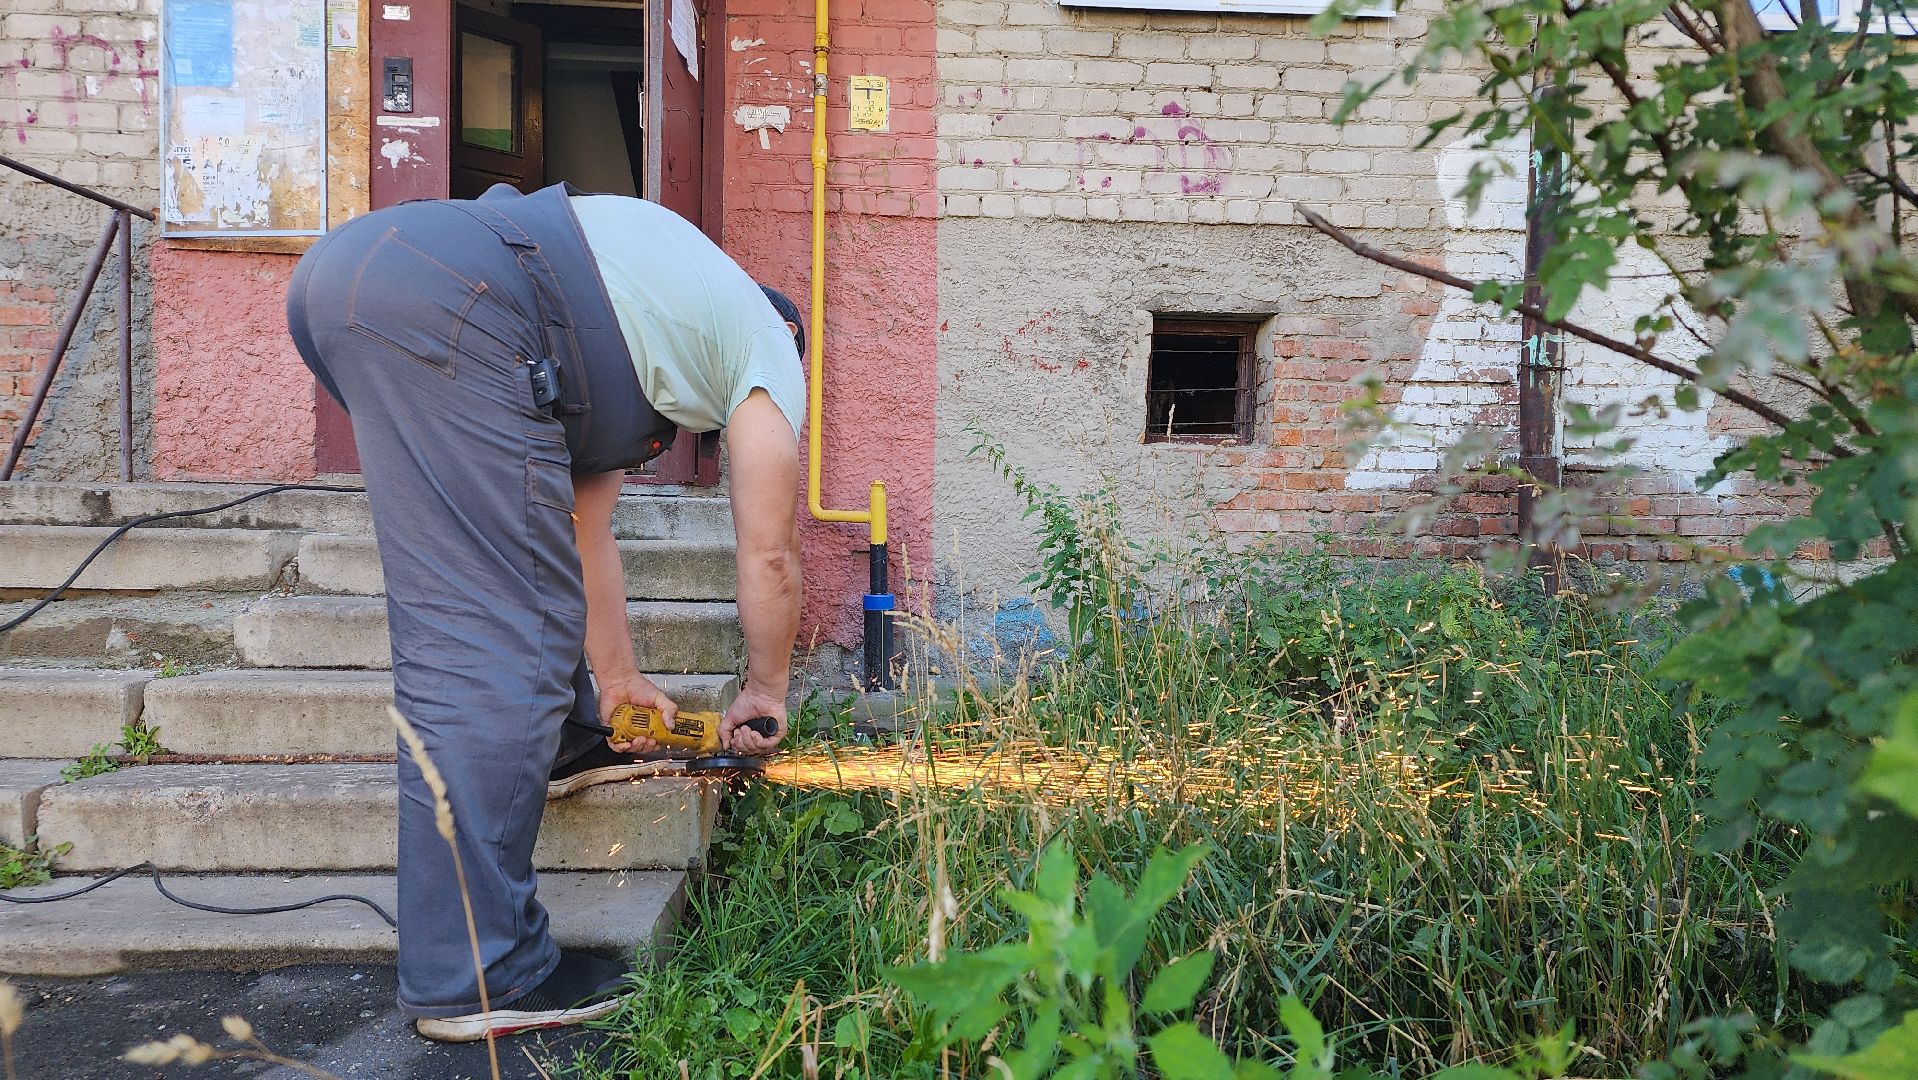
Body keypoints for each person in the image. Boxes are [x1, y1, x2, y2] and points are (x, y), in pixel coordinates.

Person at [285, 182, 805, 1042]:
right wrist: (767, 688)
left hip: (354, 278)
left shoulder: (654, 311)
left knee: (514, 582)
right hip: (458, 299)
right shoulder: (765, 342)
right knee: (491, 634)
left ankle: (564, 741)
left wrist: (619, 681)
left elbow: (578, 528)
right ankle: (480, 972)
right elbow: (771, 552)